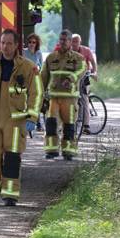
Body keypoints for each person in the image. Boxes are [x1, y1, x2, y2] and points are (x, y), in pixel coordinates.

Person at [0, 29, 43, 206]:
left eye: (9, 43)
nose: (5, 46)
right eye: (3, 43)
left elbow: (37, 92)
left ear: (17, 45)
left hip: (15, 119)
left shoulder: (27, 67)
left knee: (11, 158)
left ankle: (10, 195)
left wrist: (32, 117)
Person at [40, 29, 86, 161]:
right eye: (61, 39)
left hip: (70, 99)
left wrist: (71, 78)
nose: (62, 42)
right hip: (53, 99)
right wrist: (41, 95)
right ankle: (51, 150)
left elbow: (82, 70)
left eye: (65, 40)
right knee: (51, 124)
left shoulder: (78, 58)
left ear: (71, 42)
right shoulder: (51, 58)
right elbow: (43, 77)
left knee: (69, 125)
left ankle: (68, 151)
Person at [71, 34, 97, 134]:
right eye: (72, 41)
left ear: (80, 42)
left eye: (76, 41)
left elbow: (93, 62)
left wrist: (94, 73)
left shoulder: (86, 50)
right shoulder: (69, 51)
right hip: (73, 77)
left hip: (85, 76)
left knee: (84, 99)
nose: (74, 44)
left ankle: (86, 125)